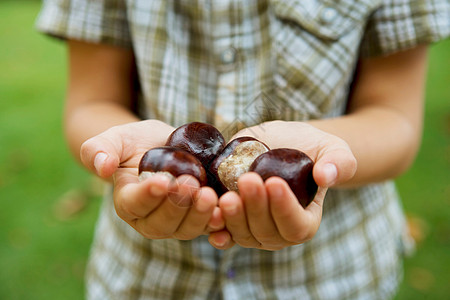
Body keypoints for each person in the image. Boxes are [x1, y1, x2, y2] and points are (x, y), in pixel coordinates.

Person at [36, 0, 449, 299]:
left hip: (333, 274)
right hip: (145, 277)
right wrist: (118, 147)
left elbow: (396, 120)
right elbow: (91, 102)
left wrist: (327, 155)